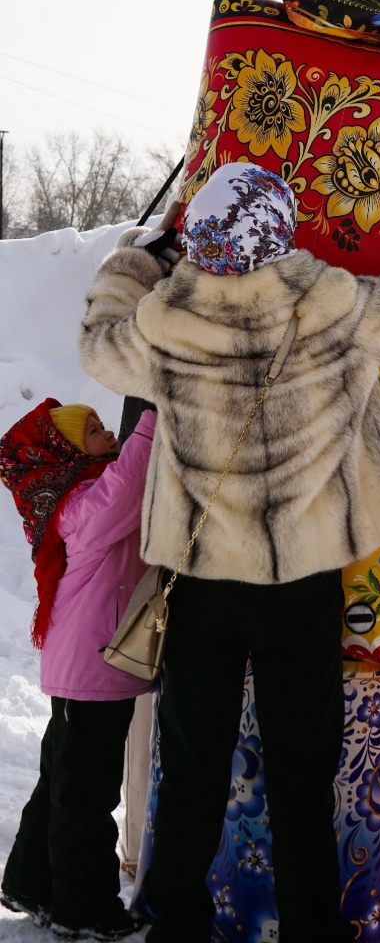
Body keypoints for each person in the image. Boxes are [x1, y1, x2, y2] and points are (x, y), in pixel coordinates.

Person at [77, 163, 380, 943]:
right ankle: (311, 929)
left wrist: (131, 262)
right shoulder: (335, 306)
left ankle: (175, 924)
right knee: (304, 774)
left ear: (201, 238)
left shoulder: (167, 324)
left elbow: (97, 346)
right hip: (302, 580)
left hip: (201, 581)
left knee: (192, 769)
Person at [0, 401, 156, 939]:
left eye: (103, 425)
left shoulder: (81, 493)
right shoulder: (80, 502)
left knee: (62, 780)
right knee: (87, 793)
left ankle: (29, 881)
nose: (108, 434)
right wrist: (152, 418)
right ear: (66, 451)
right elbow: (127, 486)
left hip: (86, 663)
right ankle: (82, 906)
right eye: (92, 431)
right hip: (92, 664)